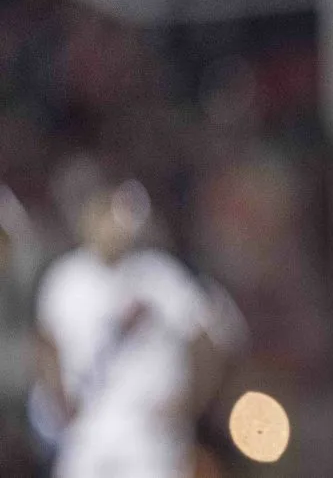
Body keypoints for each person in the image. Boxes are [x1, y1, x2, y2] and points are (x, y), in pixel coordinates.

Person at [32, 177, 245, 478]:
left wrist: (189, 403)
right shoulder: (66, 278)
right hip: (89, 427)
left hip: (149, 433)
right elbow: (46, 342)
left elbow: (212, 341)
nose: (112, 226)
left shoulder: (158, 276)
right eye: (104, 217)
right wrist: (59, 399)